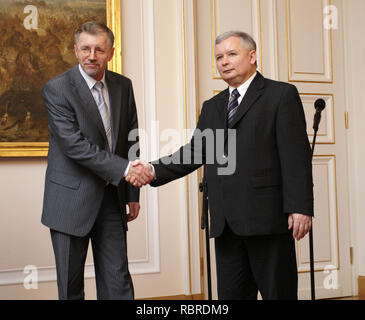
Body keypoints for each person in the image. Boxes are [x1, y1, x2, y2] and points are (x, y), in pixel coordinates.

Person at [127, 31, 314, 300]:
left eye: (231, 54)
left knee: (278, 294)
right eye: (218, 57)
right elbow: (195, 152)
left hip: (268, 220)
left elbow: (296, 156)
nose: (224, 61)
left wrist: (300, 207)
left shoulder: (281, 95)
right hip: (226, 224)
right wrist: (152, 170)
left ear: (252, 56)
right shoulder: (213, 106)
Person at [41, 21, 151, 300]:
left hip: (111, 199)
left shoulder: (123, 86)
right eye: (86, 49)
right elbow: (74, 145)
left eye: (99, 49)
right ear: (75, 51)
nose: (92, 55)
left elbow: (131, 137)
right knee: (70, 287)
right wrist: (127, 170)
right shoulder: (57, 89)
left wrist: (131, 191)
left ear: (111, 52)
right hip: (69, 201)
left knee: (118, 283)